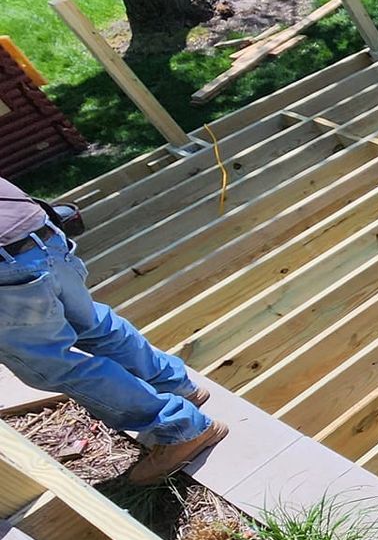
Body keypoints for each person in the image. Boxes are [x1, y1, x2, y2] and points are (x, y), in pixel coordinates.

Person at [0, 176, 226, 484]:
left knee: (55, 365)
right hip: (43, 236)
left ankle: (181, 429)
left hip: (8, 267)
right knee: (93, 325)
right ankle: (175, 385)